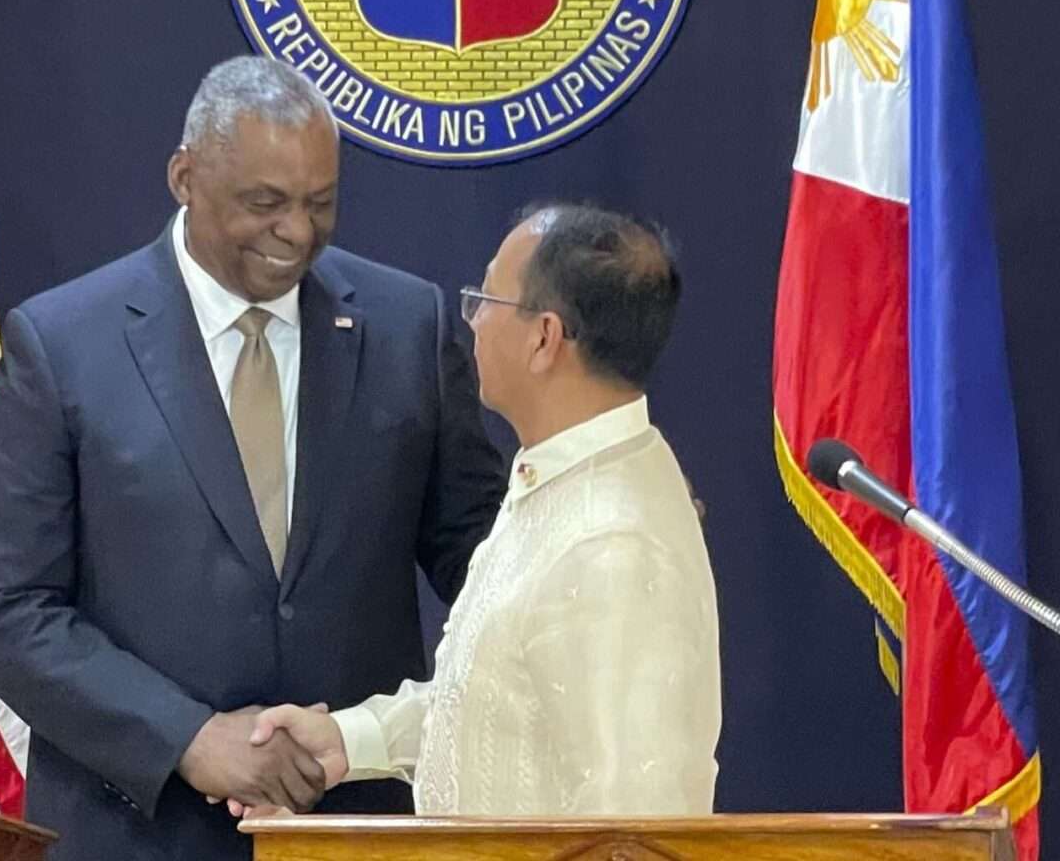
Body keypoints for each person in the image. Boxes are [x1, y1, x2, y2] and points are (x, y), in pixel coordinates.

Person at [0, 56, 504, 859]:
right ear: (185, 176)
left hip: (354, 830)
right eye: (265, 203)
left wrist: (579, 538)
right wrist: (186, 736)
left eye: (321, 203)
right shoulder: (65, 344)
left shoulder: (406, 326)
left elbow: (478, 554)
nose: (298, 232)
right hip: (139, 831)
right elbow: (2, 608)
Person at [244, 203, 721, 817]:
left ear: (544, 338)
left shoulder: (612, 543)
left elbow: (633, 824)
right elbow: (497, 702)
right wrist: (345, 738)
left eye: (485, 301)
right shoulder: (560, 479)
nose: (470, 322)